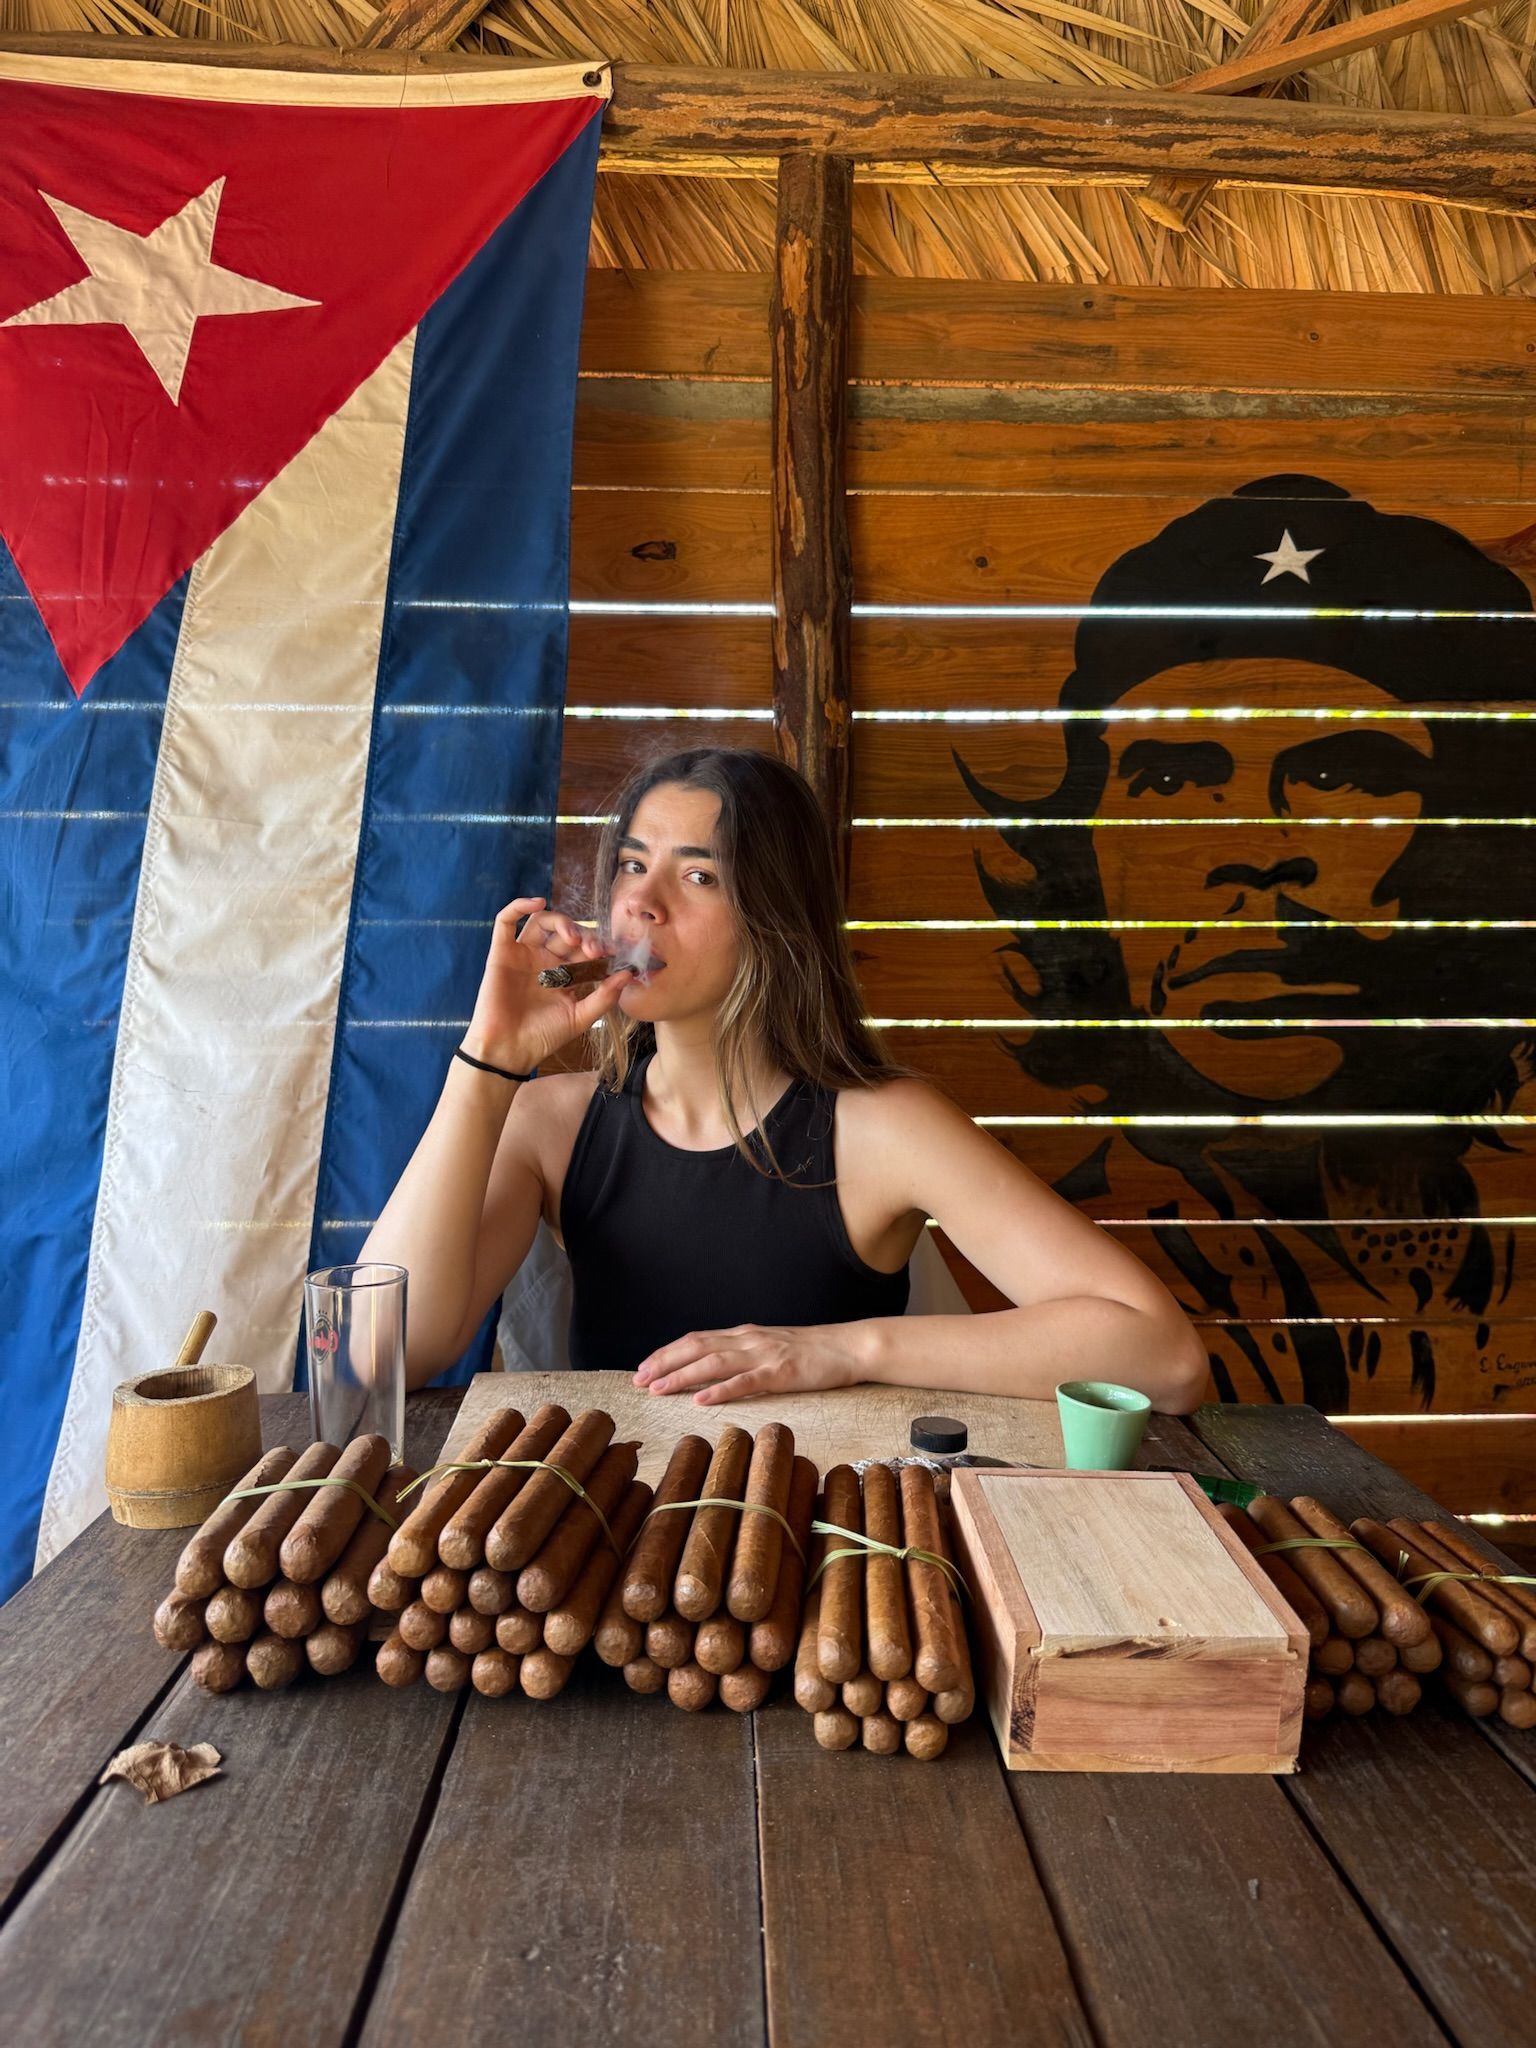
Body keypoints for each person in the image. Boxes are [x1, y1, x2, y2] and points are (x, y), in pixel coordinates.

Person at [360, 747, 1206, 1411]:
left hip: (832, 1538)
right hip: (610, 1539)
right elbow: (382, 1355)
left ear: (773, 918)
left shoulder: (885, 1126)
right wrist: (490, 1062)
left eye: (698, 876)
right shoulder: (550, 1122)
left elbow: (1162, 1358)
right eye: (629, 864)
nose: (641, 904)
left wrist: (841, 1349)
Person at [956, 474, 1536, 1410]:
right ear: (1085, 857)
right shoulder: (1048, 1267)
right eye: (1176, 780)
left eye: (1344, 774)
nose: (1261, 855)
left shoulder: (1496, 1247)